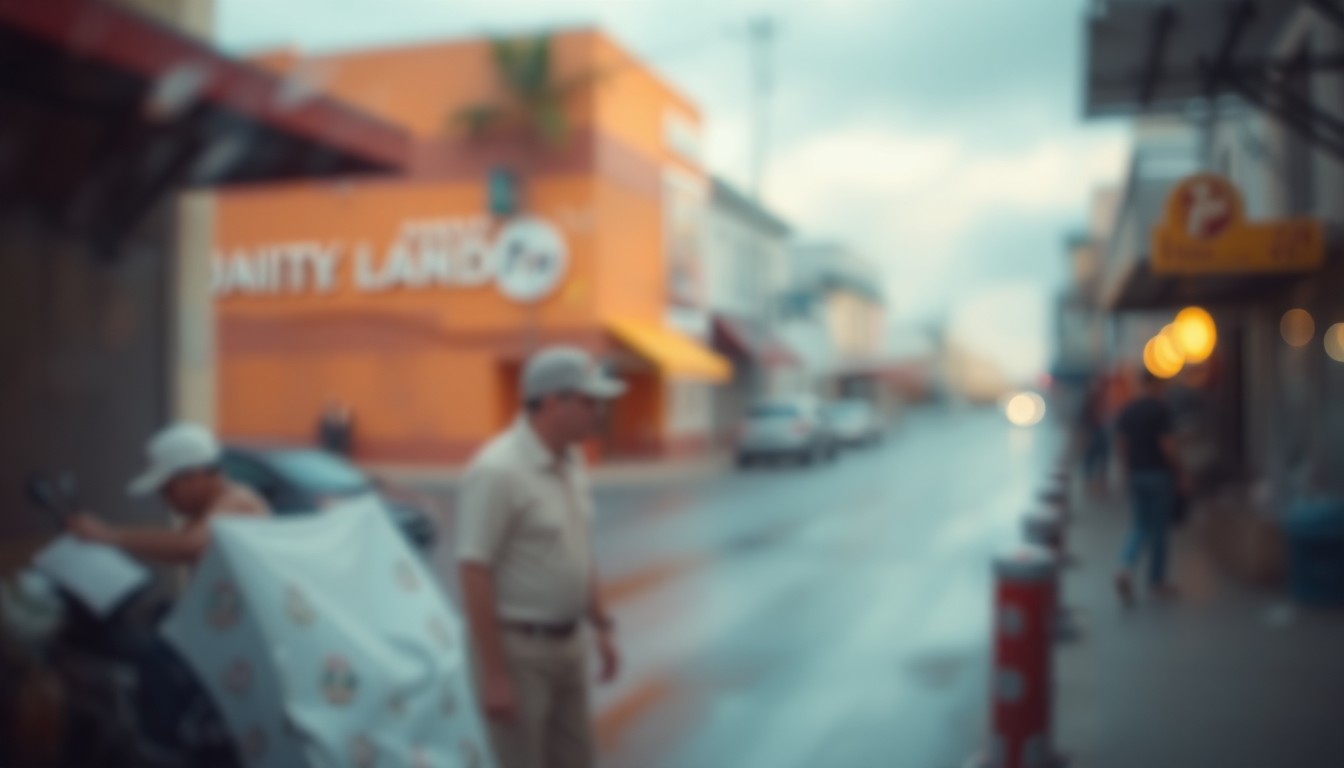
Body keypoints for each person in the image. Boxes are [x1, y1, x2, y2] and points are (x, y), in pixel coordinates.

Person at [457, 347, 624, 768]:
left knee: (576, 758)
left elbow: (580, 548)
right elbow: (474, 571)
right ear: (552, 401)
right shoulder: (497, 470)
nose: (598, 411)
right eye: (589, 401)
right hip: (518, 653)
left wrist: (602, 626)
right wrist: (495, 675)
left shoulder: (572, 459)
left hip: (569, 647)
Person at [69, 423, 268, 565]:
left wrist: (108, 535)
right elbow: (179, 544)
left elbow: (189, 546)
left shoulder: (238, 499)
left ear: (194, 477)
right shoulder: (205, 516)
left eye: (167, 489)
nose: (166, 499)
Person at [1113, 369, 1185, 603]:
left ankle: (1125, 568)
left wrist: (1126, 471)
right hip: (1159, 475)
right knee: (1159, 530)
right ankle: (1157, 581)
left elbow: (1122, 444)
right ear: (1157, 386)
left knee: (1139, 526)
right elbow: (1168, 445)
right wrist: (1180, 472)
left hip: (1136, 474)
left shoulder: (1129, 410)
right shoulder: (1160, 410)